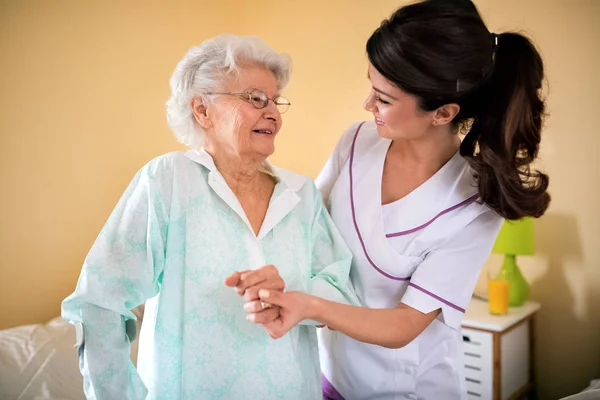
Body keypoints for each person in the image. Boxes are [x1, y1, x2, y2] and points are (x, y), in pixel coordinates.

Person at [232, 1, 550, 398]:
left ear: (442, 113)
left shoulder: (475, 204)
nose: (368, 105)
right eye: (371, 85)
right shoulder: (356, 141)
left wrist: (311, 307)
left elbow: (405, 324)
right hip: (332, 377)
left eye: (383, 98)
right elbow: (304, 227)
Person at [61, 34, 357, 400]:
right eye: (255, 99)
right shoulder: (168, 179)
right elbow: (99, 302)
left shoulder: (302, 193)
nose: (273, 113)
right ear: (202, 110)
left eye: (276, 101)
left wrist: (295, 295)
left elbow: (343, 294)